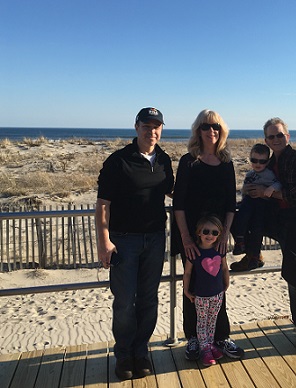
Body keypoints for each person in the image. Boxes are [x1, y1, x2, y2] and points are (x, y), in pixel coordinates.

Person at [95, 107, 174, 380]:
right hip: (124, 241)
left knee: (149, 299)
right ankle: (124, 354)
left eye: (157, 126)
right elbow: (103, 205)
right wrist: (104, 242)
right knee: (125, 301)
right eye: (146, 125)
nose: (151, 131)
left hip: (154, 239)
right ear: (136, 127)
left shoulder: (164, 160)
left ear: (161, 129)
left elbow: (173, 191)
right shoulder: (118, 161)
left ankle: (141, 352)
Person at [231, 117, 296, 350]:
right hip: (273, 217)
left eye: (279, 135)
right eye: (271, 136)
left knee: (293, 273)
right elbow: (252, 182)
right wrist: (249, 191)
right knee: (245, 216)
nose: (276, 139)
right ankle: (253, 255)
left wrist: (268, 193)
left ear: (287, 137)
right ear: (266, 140)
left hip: (294, 222)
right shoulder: (266, 161)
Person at [172, 109, 244, 361]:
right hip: (192, 235)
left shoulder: (226, 163)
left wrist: (225, 235)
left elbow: (230, 205)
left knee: (217, 287)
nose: (210, 131)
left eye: (215, 127)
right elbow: (178, 204)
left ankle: (220, 337)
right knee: (192, 286)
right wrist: (186, 238)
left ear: (221, 131)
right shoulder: (188, 161)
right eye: (205, 126)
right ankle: (193, 338)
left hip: (216, 236)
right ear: (198, 130)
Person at [183, 216, 230, 366]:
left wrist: (226, 284)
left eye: (215, 233)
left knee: (212, 321)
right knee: (202, 322)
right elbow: (188, 273)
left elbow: (224, 268)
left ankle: (209, 345)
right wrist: (186, 290)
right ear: (199, 233)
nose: (210, 235)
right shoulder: (194, 253)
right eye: (206, 231)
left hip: (217, 294)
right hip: (201, 296)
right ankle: (204, 349)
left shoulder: (219, 252)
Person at [230, 143, 281, 267]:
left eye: (262, 161)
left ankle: (254, 255)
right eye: (254, 160)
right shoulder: (249, 175)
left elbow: (278, 184)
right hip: (248, 202)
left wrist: (269, 190)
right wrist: (243, 195)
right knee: (237, 218)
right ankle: (240, 241)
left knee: (256, 228)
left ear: (267, 162)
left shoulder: (269, 174)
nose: (258, 164)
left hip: (262, 205)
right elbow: (244, 190)